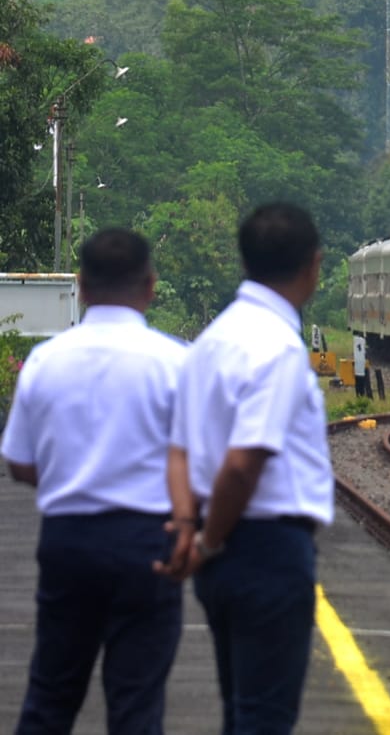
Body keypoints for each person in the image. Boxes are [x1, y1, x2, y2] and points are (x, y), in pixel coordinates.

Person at [1, 229, 188, 734]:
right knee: (136, 703)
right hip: (149, 543)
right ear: (150, 285)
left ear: (81, 286)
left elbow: (18, 462)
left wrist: (68, 475)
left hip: (69, 542)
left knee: (51, 695)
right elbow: (199, 464)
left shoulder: (45, 361)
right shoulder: (176, 363)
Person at [166, 202, 334, 734]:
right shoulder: (278, 347)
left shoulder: (210, 341)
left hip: (222, 556)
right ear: (314, 265)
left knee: (240, 709)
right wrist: (210, 540)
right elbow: (244, 464)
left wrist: (191, 529)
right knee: (263, 718)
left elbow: (180, 450)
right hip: (264, 549)